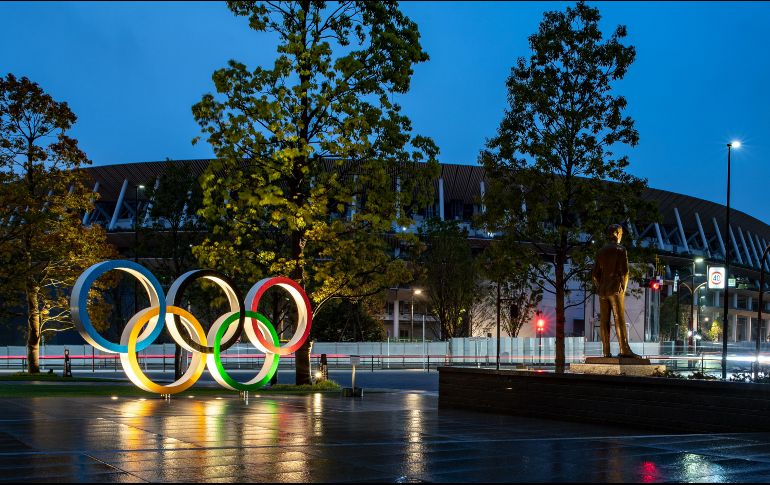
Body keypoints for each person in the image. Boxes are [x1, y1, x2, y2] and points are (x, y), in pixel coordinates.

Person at [591, 224, 638, 358]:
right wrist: (623, 287)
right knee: (619, 319)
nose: (622, 236)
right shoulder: (621, 250)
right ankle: (624, 349)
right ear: (617, 234)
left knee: (604, 320)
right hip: (616, 288)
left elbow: (595, 274)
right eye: (621, 233)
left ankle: (606, 352)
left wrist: (600, 286)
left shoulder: (601, 251)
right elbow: (625, 271)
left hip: (603, 290)